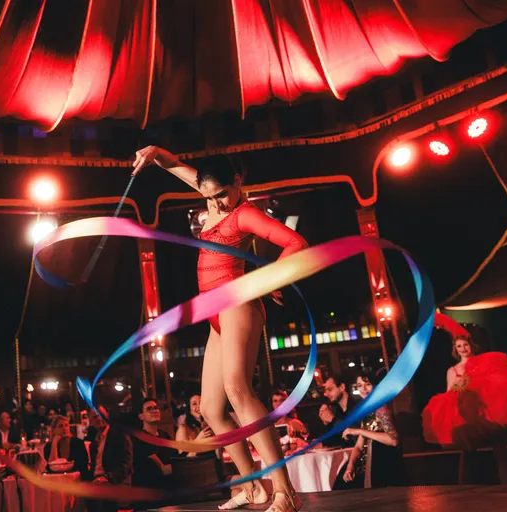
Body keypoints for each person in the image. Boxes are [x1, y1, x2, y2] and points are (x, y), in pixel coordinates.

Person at [133, 146, 307, 511]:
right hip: (214, 310)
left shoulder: (244, 214)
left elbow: (296, 243)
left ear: (238, 182)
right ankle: (253, 486)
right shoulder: (211, 193)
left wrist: (273, 278)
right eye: (209, 196)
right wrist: (152, 154)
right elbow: (171, 163)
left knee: (238, 390)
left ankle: (284, 490)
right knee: (211, 409)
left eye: (222, 194)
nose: (217, 204)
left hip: (238, 302)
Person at [421, 313, 507, 485]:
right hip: (468, 413)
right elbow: (448, 394)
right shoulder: (453, 370)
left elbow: (496, 381)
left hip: (488, 410)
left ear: (471, 345)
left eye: (465, 345)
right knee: (468, 452)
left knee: (500, 448)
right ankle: (465, 488)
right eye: (459, 346)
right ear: (455, 349)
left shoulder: (483, 362)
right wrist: (458, 385)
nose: (463, 348)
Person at [340, 373, 403, 488]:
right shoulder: (367, 409)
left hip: (384, 463)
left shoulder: (381, 407)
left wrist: (359, 431)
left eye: (367, 384)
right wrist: (350, 466)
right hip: (370, 463)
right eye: (359, 385)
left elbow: (394, 440)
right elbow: (359, 446)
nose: (363, 389)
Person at [319, 374, 362, 448]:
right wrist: (326, 423)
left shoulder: (358, 405)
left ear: (342, 387)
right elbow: (330, 443)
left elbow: (355, 436)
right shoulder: (336, 410)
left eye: (329, 389)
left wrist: (332, 419)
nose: (325, 394)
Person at [43, 416, 91, 480]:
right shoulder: (48, 447)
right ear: (54, 430)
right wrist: (54, 443)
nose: (64, 428)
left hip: (78, 480)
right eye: (60, 426)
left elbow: (83, 466)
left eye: (66, 425)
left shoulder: (78, 443)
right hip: (57, 481)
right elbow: (52, 467)